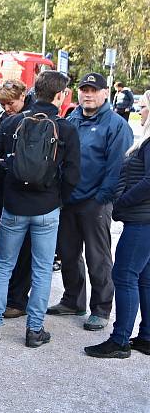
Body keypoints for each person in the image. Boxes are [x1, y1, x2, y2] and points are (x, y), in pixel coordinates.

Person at [0, 71, 81, 348]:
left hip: (14, 206)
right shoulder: (66, 128)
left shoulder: (12, 122)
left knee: (3, 266)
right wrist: (58, 198)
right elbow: (72, 175)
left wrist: (9, 177)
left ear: (35, 92)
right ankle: (34, 330)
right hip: (47, 208)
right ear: (60, 96)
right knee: (42, 269)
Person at [48, 72, 133, 331]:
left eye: (94, 90)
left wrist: (101, 199)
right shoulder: (72, 119)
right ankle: (73, 300)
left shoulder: (117, 125)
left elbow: (118, 169)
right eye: (84, 89)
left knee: (98, 258)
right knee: (69, 254)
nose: (88, 94)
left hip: (96, 202)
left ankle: (101, 308)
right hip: (69, 200)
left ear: (105, 93)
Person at [85, 89, 150, 358]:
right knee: (144, 279)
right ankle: (146, 337)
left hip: (142, 220)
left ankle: (120, 340)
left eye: (144, 106)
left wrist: (121, 203)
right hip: (143, 219)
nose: (140, 110)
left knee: (124, 276)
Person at [0, 79, 34, 319]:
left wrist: (11, 170)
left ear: (23, 96)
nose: (6, 107)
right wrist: (4, 172)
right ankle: (8, 296)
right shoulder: (0, 119)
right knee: (5, 247)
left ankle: (18, 299)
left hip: (26, 195)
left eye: (10, 102)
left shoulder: (34, 119)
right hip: (4, 192)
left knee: (24, 249)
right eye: (2, 103)